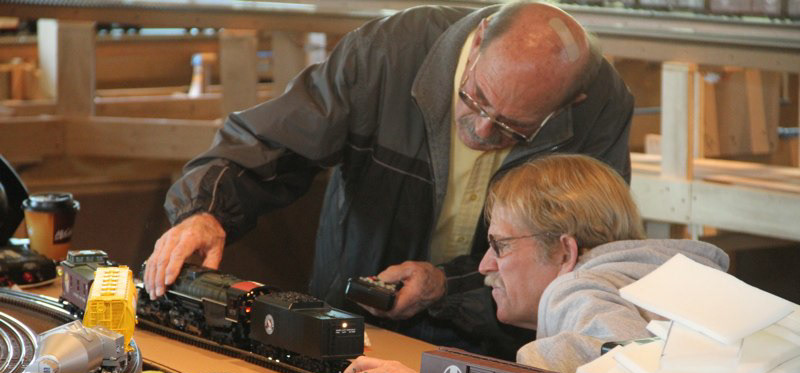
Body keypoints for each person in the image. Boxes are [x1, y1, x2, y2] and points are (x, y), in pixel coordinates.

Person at [143, 2, 634, 353]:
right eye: (476, 97)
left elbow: (581, 256)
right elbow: (271, 141)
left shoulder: (602, 108)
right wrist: (206, 212)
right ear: (479, 38)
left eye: (513, 127)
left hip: (503, 342)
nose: (482, 130)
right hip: (350, 323)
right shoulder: (389, 53)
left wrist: (447, 284)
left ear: (572, 105)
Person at [345, 154, 729, 373]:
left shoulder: (578, 288)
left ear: (565, 252)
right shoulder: (658, 281)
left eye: (500, 246)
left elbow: (622, 362)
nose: (484, 266)